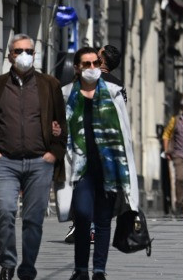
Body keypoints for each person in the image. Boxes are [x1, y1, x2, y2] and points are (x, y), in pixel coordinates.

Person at [0, 34, 67, 280]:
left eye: (29, 50)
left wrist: (54, 153)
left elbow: (62, 124)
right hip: (5, 161)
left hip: (40, 162)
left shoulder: (49, 85)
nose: (24, 55)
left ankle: (27, 268)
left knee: (33, 219)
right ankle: (7, 263)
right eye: (18, 51)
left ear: (35, 55)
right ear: (10, 56)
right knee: (5, 211)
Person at [61, 47, 138, 280]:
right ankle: (81, 269)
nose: (92, 68)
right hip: (80, 168)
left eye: (96, 63)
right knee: (83, 216)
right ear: (77, 67)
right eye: (87, 64)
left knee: (103, 222)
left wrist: (126, 174)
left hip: (108, 168)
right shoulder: (66, 94)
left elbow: (124, 133)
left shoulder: (114, 92)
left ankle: (99, 272)